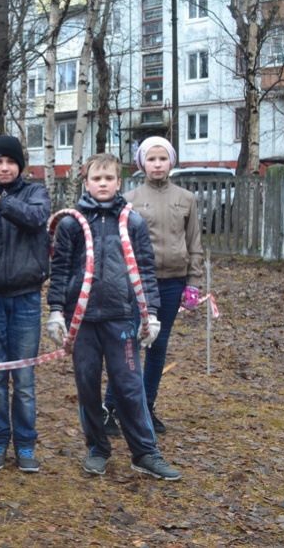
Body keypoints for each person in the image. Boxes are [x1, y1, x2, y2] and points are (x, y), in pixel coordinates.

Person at [46, 152, 181, 481]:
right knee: (88, 385)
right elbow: (60, 270)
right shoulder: (71, 223)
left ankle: (145, 452)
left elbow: (145, 271)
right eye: (96, 179)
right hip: (83, 322)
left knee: (130, 385)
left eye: (109, 179)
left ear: (119, 182)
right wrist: (55, 312)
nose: (103, 184)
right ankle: (97, 448)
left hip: (121, 318)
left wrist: (151, 315)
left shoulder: (132, 221)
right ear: (86, 183)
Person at [103, 137, 203, 435]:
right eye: (151, 159)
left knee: (158, 345)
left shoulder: (187, 199)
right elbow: (120, 244)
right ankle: (111, 407)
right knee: (129, 344)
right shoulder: (129, 199)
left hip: (173, 283)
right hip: (137, 284)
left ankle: (146, 406)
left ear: (171, 162)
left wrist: (193, 283)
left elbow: (194, 242)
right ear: (142, 163)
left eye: (163, 159)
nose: (157, 164)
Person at [0, 134, 51, 473]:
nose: (3, 168)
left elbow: (34, 220)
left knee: (24, 378)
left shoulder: (36, 193)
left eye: (10, 162)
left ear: (20, 166)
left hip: (27, 299)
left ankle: (26, 446)